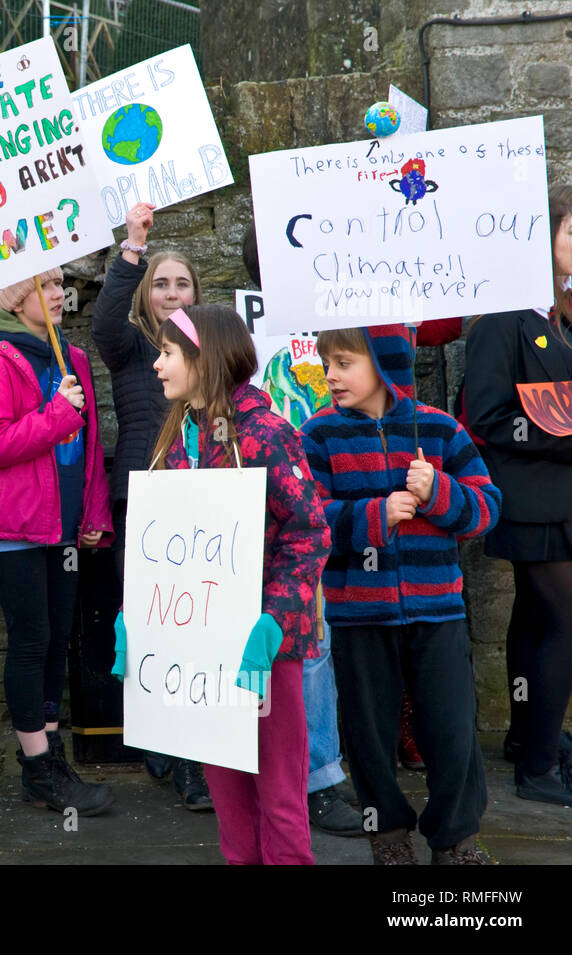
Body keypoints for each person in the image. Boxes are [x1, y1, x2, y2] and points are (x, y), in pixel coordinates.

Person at [303, 323, 500, 863]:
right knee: (368, 735)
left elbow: (486, 510)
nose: (331, 375)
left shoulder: (440, 431)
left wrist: (439, 492)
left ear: (385, 364)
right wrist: (373, 515)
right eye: (328, 363)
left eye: (344, 362)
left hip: (438, 611)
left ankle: (456, 839)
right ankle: (388, 837)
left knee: (453, 732)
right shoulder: (317, 436)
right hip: (358, 615)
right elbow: (308, 522)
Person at [150, 304, 330, 864]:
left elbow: (310, 533)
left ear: (204, 358)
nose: (157, 365)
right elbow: (161, 545)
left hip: (266, 650)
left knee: (278, 797)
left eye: (168, 352)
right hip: (205, 654)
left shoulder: (266, 435)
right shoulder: (176, 441)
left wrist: (272, 620)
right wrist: (138, 613)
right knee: (230, 805)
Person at [0, 268, 115, 815]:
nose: (59, 296)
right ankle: (37, 765)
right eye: (46, 287)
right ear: (16, 299)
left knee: (57, 640)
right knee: (31, 638)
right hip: (14, 525)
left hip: (66, 525)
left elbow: (93, 444)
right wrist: (57, 413)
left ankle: (49, 752)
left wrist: (95, 512)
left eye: (59, 286)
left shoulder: (73, 360)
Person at [239, 224, 362, 836]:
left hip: (355, 491)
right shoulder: (249, 333)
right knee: (308, 645)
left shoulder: (351, 319)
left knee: (333, 645)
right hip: (285, 508)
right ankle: (316, 778)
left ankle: (333, 765)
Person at [92, 202, 213, 809]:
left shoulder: (216, 349)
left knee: (199, 627)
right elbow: (104, 324)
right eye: (160, 284)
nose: (171, 293)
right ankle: (156, 730)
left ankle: (195, 763)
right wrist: (133, 247)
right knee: (148, 623)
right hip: (144, 496)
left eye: (181, 283)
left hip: (206, 497)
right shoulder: (134, 347)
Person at [463, 185, 572, 805]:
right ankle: (537, 768)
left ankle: (532, 736)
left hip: (561, 494)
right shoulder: (499, 320)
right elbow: (488, 415)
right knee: (563, 624)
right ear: (543, 236)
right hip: (532, 498)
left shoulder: (559, 313)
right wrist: (559, 435)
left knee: (534, 621)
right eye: (571, 231)